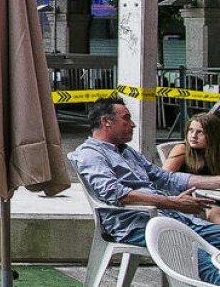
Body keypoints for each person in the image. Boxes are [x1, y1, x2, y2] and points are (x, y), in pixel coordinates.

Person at [71, 98, 220, 283]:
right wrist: (174, 203)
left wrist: (215, 182)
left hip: (168, 217)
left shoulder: (127, 152)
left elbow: (166, 178)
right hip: (134, 224)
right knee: (202, 262)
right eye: (126, 118)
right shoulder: (90, 154)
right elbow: (116, 193)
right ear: (106, 122)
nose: (132, 124)